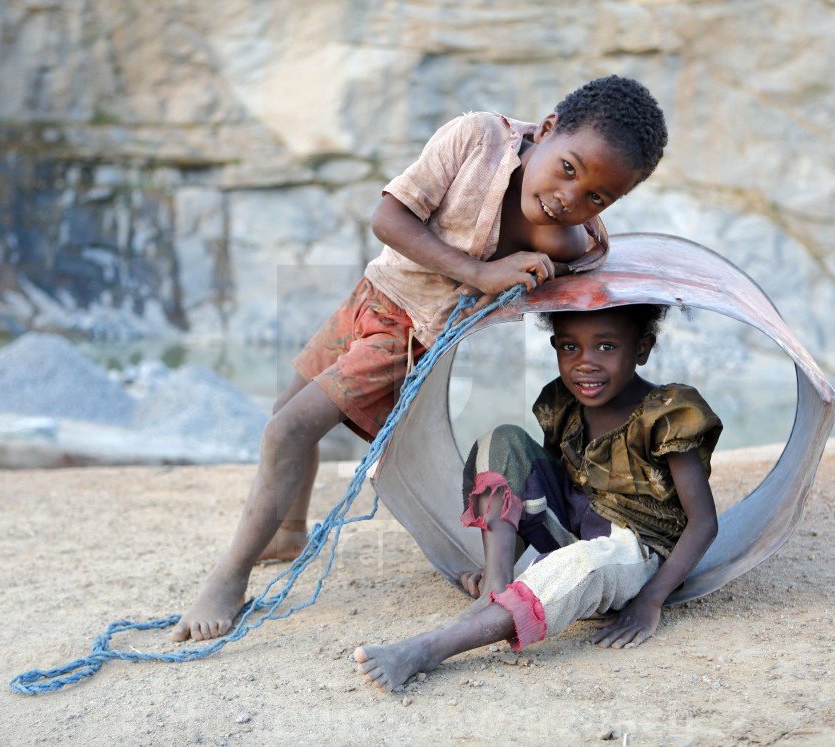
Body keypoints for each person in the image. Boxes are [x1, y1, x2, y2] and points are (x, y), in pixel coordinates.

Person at [171, 76, 670, 642]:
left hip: (406, 337)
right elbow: (388, 220)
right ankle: (287, 531)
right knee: (286, 410)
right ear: (547, 130)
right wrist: (478, 272)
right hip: (373, 292)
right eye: (569, 169)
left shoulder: (563, 246)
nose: (569, 199)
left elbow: (587, 287)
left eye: (596, 198)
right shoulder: (475, 139)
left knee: (286, 431)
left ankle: (228, 579)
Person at [355, 305, 722, 692]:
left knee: (584, 562)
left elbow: (704, 523)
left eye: (606, 347)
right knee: (502, 440)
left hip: (633, 551)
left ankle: (431, 648)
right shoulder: (563, 402)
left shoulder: (667, 413)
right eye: (570, 347)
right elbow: (539, 485)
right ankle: (497, 580)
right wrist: (511, 549)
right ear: (555, 347)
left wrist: (651, 600)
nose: (585, 363)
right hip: (577, 527)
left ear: (642, 349)